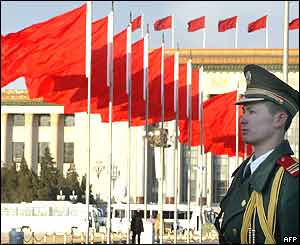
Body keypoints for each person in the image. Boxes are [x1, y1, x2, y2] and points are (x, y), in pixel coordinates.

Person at [214, 64, 299, 244]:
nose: (243, 118)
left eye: (252, 111)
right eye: (244, 111)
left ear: (280, 118)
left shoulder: (291, 180)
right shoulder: (242, 174)